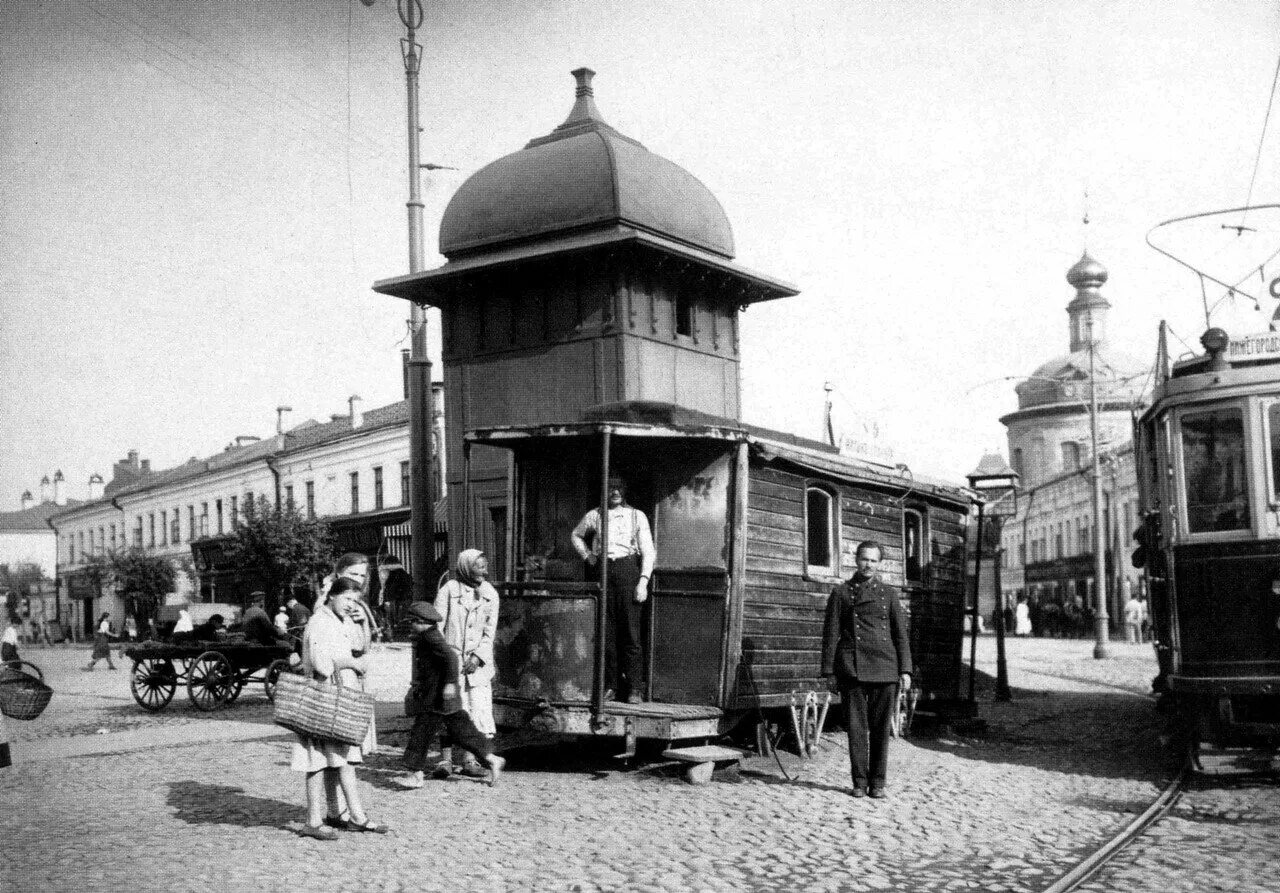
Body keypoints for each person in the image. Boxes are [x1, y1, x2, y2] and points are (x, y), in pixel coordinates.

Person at [290, 577, 387, 840]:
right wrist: (352, 664)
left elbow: (360, 646)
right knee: (317, 761)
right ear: (332, 595)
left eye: (355, 600)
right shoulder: (320, 621)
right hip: (323, 699)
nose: (350, 604)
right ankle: (315, 820)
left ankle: (346, 814)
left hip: (339, 699)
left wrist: (362, 621)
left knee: (340, 758)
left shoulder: (338, 619)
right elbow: (321, 664)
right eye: (346, 599)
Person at [821, 541, 912, 800]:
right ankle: (859, 782)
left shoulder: (888, 594)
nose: (868, 564)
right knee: (857, 729)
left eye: (873, 560)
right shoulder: (841, 593)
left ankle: (878, 782)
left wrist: (905, 669)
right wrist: (829, 671)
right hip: (853, 668)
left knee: (881, 729)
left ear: (879, 563)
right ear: (855, 560)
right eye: (864, 559)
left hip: (885, 667)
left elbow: (900, 635)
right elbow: (831, 635)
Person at [397, 600, 504, 790]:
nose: (411, 627)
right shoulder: (428, 636)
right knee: (464, 733)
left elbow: (451, 658)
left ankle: (415, 774)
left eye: (412, 622)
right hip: (445, 701)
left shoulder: (431, 637)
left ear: (420, 621)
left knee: (420, 735)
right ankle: (491, 758)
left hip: (437, 699)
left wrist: (449, 684)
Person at [571, 475, 655, 703]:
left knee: (630, 633)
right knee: (606, 633)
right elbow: (576, 535)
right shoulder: (594, 515)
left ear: (624, 490)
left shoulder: (637, 516)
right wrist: (587, 555)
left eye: (618, 487)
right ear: (605, 490)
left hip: (628, 572)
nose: (615, 492)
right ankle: (611, 686)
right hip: (603, 572)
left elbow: (648, 551)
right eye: (610, 488)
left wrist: (643, 581)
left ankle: (635, 689)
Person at [434, 549, 500, 777]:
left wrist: (477, 656)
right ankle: (445, 761)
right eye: (479, 567)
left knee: (476, 710)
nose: (485, 571)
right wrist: (447, 658)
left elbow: (489, 634)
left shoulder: (490, 594)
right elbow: (437, 627)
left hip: (478, 665)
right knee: (451, 710)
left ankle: (470, 761)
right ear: (465, 567)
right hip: (451, 662)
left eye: (485, 566)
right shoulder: (448, 591)